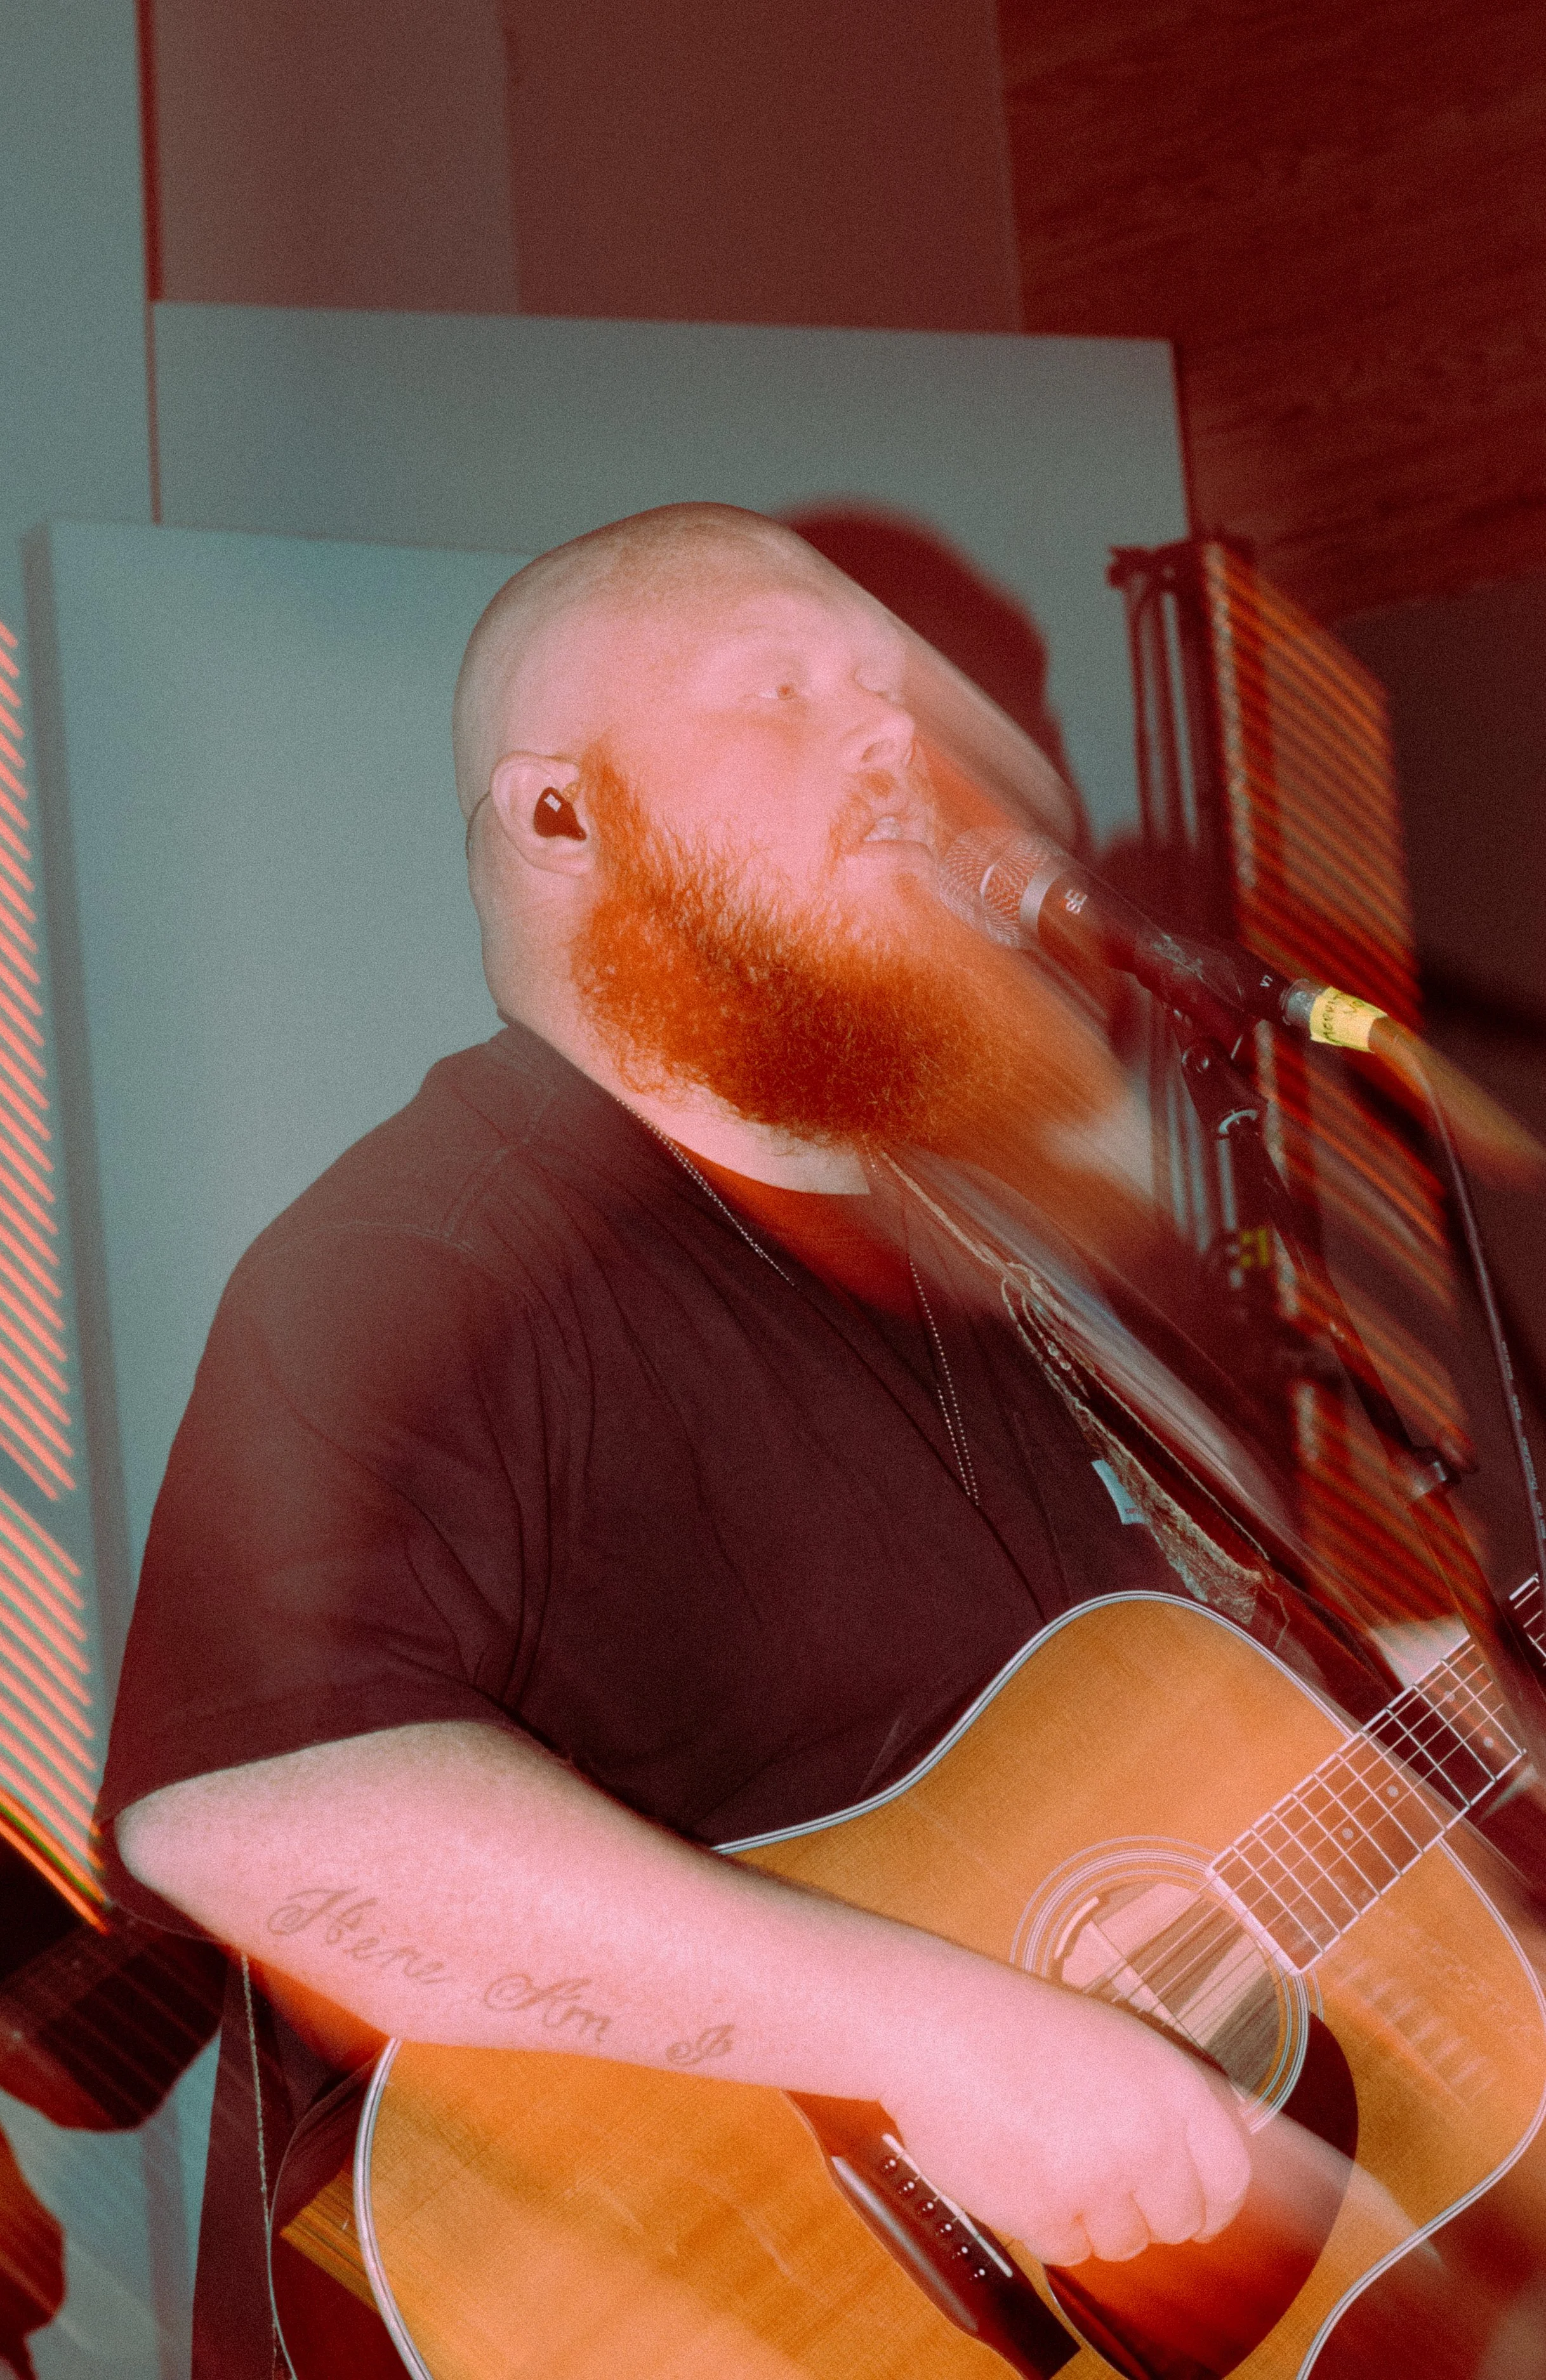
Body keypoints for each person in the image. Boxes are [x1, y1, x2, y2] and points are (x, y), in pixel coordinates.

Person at [97, 503, 1259, 2375]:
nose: (900, 744)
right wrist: (937, 2036)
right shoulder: (432, 1245)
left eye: (907, 695)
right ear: (561, 816)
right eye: (792, 687)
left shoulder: (982, 1286)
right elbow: (261, 1807)